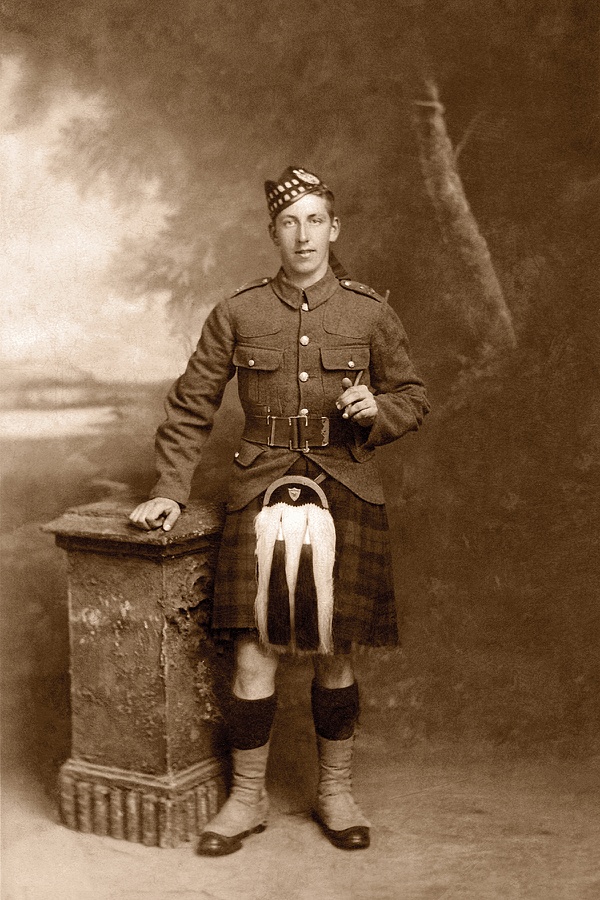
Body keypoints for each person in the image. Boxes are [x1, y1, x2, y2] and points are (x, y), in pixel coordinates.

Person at [130, 166, 429, 856]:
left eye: (315, 220)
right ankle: (247, 798)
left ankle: (336, 792)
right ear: (273, 233)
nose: (303, 235)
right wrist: (170, 488)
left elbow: (413, 396)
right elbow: (191, 405)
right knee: (252, 653)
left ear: (334, 229)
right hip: (258, 489)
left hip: (346, 487)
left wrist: (378, 410)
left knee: (335, 652)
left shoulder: (370, 312)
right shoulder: (237, 312)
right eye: (290, 223)